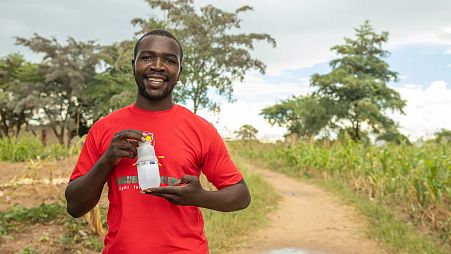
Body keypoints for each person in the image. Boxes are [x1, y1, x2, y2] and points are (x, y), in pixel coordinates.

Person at [65, 29, 251, 254]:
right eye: (147, 57)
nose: (157, 66)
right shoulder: (105, 129)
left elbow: (241, 195)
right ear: (134, 64)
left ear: (179, 72)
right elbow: (75, 206)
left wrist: (200, 197)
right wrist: (107, 160)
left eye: (169, 60)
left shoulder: (200, 129)